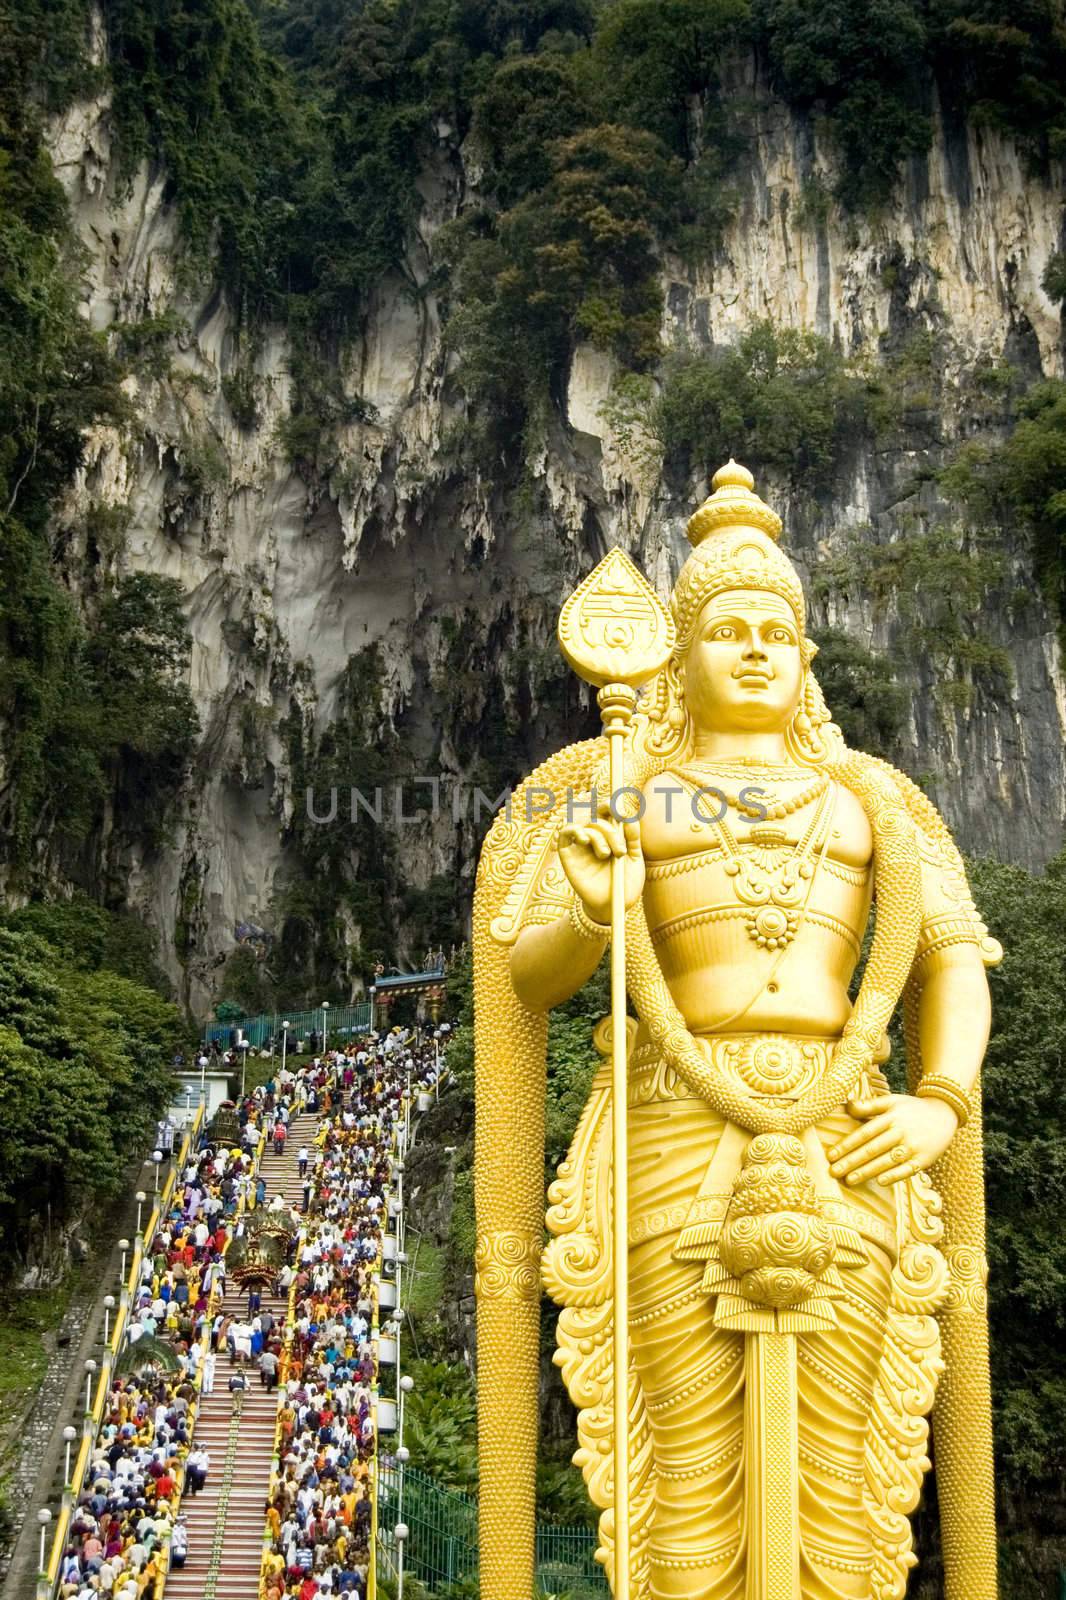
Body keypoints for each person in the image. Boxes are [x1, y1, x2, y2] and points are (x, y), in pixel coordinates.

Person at [473, 462, 1000, 1599]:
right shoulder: (626, 791)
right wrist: (585, 892)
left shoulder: (876, 802)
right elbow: (526, 976)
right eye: (726, 630)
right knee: (686, 1487)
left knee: (849, 1484)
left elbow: (951, 960)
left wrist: (938, 1098)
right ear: (677, 655)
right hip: (672, 1133)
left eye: (777, 630)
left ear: (805, 657)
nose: (756, 648)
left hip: (849, 1137)